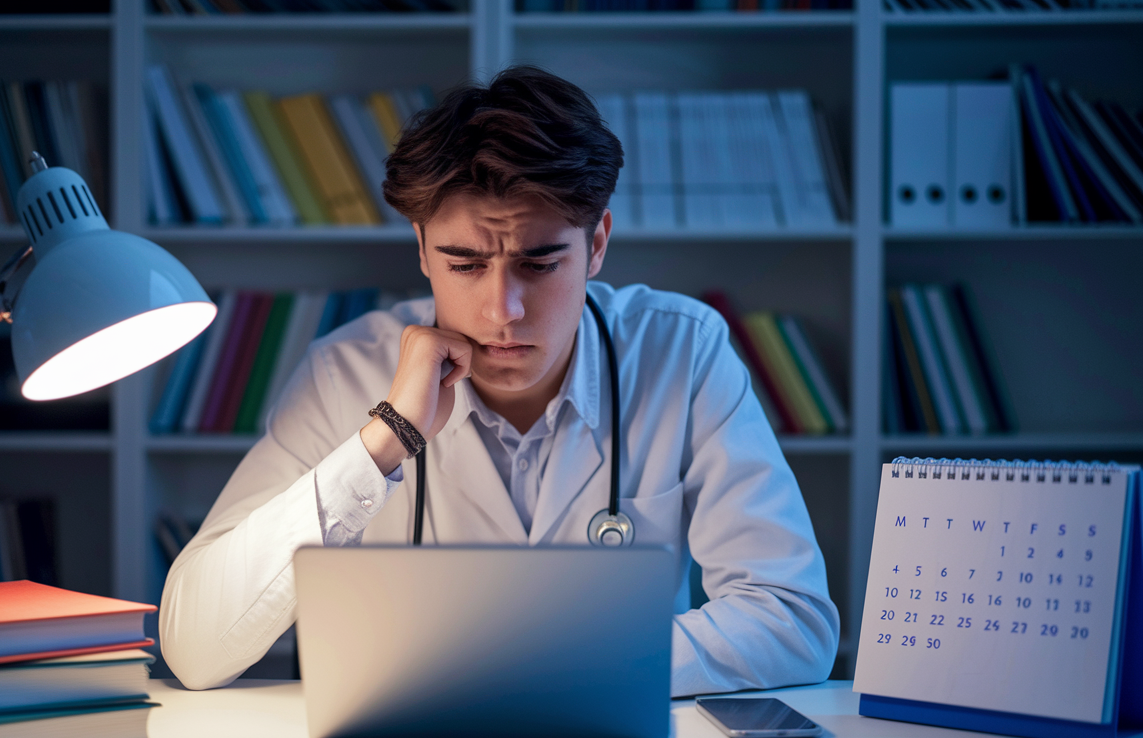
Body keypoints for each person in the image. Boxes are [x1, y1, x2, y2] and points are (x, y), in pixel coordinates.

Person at [159, 66, 839, 696]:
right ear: (422, 248)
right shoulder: (345, 373)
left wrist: (548, 665)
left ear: (596, 242)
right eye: (464, 263)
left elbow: (793, 619)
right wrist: (384, 441)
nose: (502, 310)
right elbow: (193, 646)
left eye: (539, 264)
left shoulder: (682, 351)